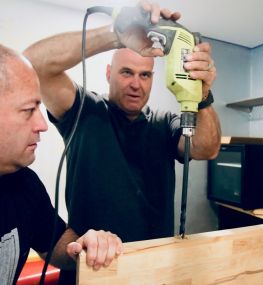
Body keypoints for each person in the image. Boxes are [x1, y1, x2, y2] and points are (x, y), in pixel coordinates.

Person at [24, 1, 221, 283]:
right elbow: (33, 64)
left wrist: (203, 96)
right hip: (90, 269)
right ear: (108, 73)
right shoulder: (84, 110)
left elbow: (206, 147)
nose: (136, 84)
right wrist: (119, 33)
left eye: (145, 75)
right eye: (126, 72)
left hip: (151, 270)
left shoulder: (165, 123)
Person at [0, 44, 123, 285]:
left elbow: (54, 244)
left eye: (39, 107)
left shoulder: (25, 183)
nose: (43, 124)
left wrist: (83, 245)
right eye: (28, 109)